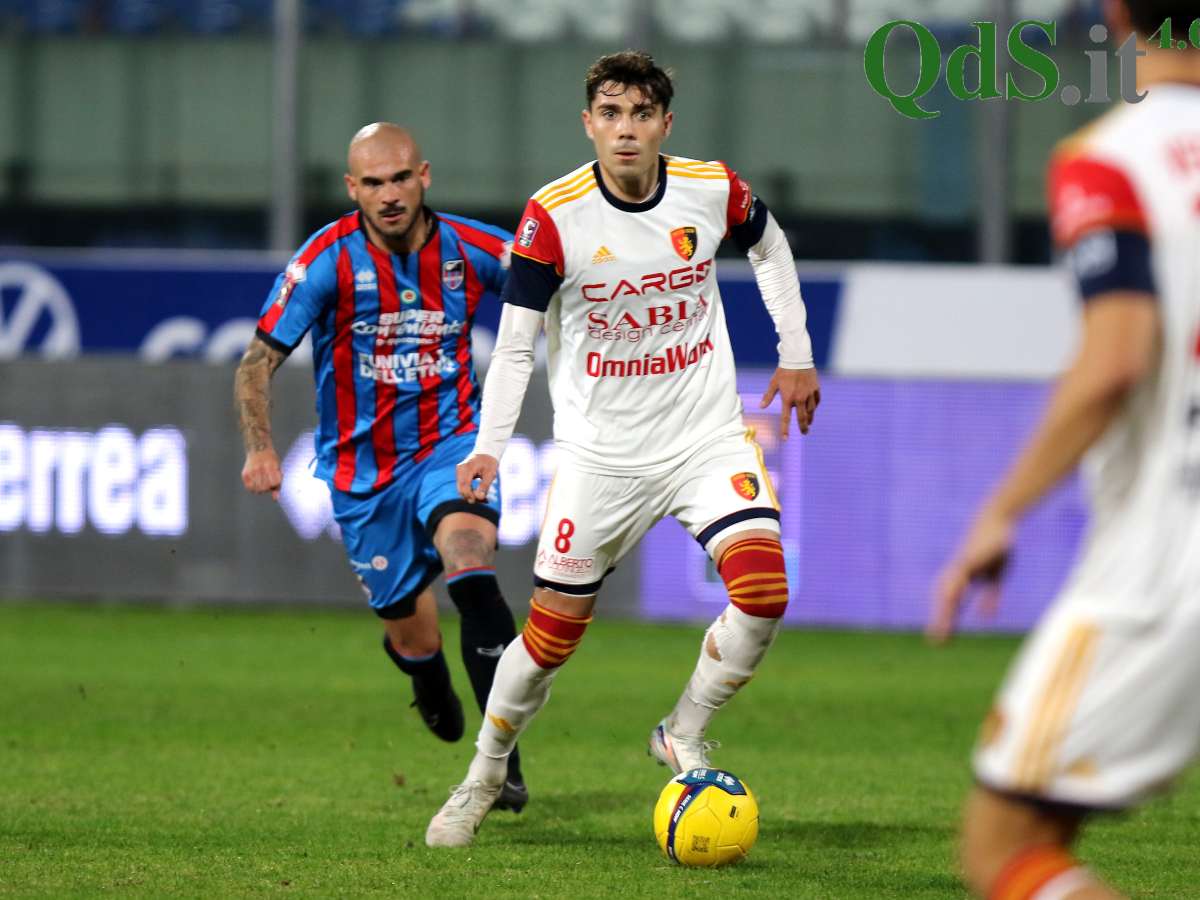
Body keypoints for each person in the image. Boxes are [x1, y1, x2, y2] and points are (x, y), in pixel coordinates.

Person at [425, 50, 821, 848]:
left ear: (666, 124)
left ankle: (683, 729)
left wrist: (797, 351)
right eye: (611, 114)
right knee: (548, 643)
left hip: (704, 436)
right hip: (600, 458)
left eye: (641, 114)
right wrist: (490, 447)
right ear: (589, 125)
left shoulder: (710, 188)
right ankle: (485, 773)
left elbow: (769, 245)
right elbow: (515, 346)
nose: (626, 130)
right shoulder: (553, 218)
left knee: (764, 590)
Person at [927, 4, 1200, 896]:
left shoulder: (1112, 158)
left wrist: (1001, 511)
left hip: (1170, 553)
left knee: (1005, 845)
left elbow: (1114, 362)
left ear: (1115, 14)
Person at [235, 123, 528, 812]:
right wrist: (260, 447)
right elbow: (256, 361)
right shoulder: (326, 260)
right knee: (412, 633)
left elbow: (553, 287)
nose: (389, 194)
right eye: (373, 183)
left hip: (452, 446)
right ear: (352, 188)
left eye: (400, 178)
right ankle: (426, 675)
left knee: (470, 562)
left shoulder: (471, 247)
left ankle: (501, 761)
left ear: (423, 176)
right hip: (363, 478)